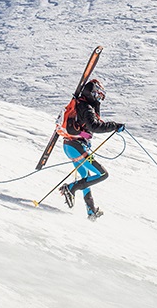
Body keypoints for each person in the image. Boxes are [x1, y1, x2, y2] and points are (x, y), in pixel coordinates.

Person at [58, 79, 124, 221]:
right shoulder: (86, 107)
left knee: (86, 176)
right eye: (98, 95)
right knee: (102, 174)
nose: (100, 99)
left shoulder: (82, 104)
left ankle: (91, 210)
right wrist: (114, 126)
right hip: (76, 146)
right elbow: (94, 126)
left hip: (70, 145)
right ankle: (71, 188)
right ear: (93, 93)